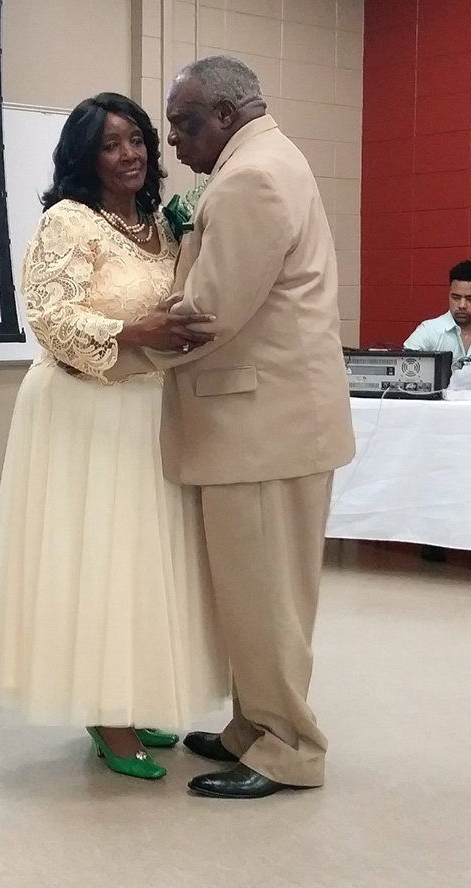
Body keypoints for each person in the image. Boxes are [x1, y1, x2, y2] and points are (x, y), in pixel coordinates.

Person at [116, 56, 355, 799]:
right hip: (265, 423)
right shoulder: (266, 160)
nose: (171, 142)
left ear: (226, 115)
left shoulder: (251, 178)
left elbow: (207, 314)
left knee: (268, 603)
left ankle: (290, 748)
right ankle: (253, 728)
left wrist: (109, 347)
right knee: (253, 597)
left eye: (183, 124)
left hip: (261, 428)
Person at [0, 92, 228, 780]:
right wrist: (133, 331)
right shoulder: (67, 221)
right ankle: (106, 715)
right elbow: (49, 317)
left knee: (142, 561)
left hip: (148, 410)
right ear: (85, 157)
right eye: (111, 145)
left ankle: (127, 694)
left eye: (137, 139)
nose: (129, 154)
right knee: (100, 559)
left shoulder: (161, 224)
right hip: (85, 411)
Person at [404, 259, 471, 359]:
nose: (462, 305)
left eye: (470, 299)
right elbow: (403, 365)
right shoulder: (428, 332)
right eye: (455, 297)